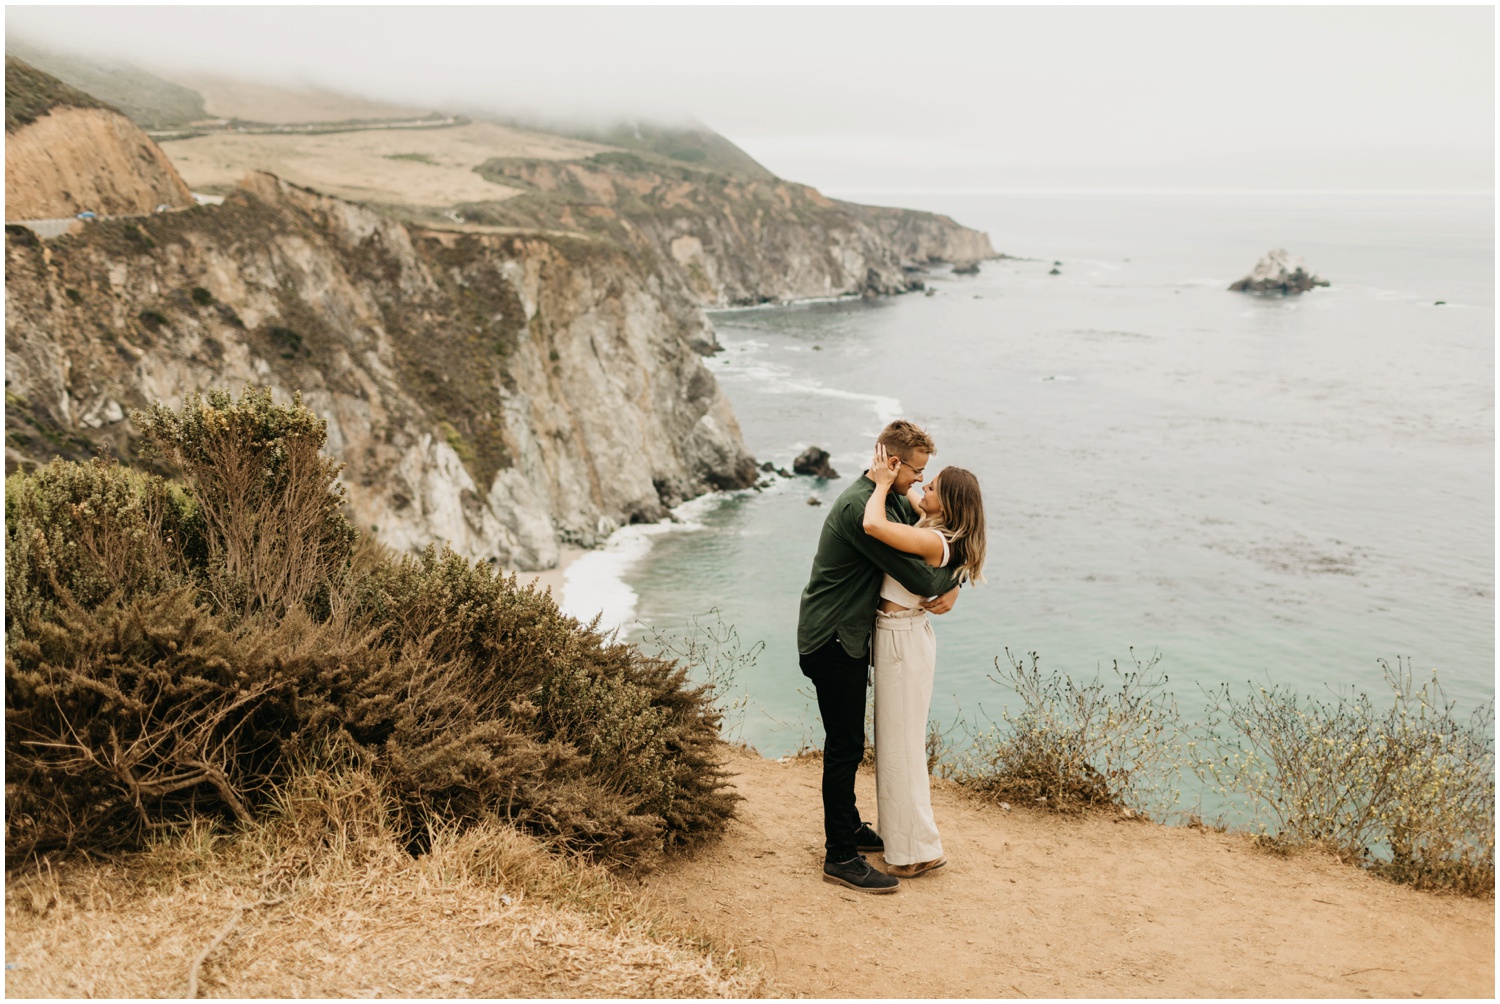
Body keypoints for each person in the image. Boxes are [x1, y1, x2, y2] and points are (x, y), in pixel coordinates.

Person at [797, 419, 960, 894]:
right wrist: (955, 585)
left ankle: (847, 828)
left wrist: (958, 581)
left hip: (844, 636)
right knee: (844, 745)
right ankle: (840, 857)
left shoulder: (885, 500)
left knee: (849, 738)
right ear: (892, 463)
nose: (918, 480)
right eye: (915, 471)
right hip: (832, 639)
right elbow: (924, 580)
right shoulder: (858, 510)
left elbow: (929, 550)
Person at [862, 442, 987, 878]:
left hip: (903, 642)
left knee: (899, 750)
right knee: (900, 747)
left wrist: (879, 484)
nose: (921, 485)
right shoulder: (934, 524)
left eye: (931, 486)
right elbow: (916, 497)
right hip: (906, 638)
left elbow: (873, 525)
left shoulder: (932, 539)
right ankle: (914, 844)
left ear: (946, 503)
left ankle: (915, 852)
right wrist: (958, 582)